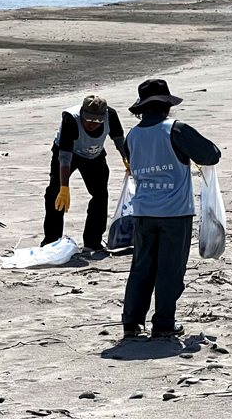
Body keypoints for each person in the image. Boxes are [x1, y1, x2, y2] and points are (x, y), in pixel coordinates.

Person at [121, 79, 221, 338]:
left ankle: (132, 322)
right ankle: (163, 322)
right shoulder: (175, 130)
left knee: (142, 267)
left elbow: (129, 158)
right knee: (170, 269)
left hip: (143, 211)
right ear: (166, 106)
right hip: (175, 212)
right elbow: (211, 155)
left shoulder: (132, 135)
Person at [42, 95, 127, 252]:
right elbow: (65, 157)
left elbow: (119, 139)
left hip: (94, 155)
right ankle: (51, 240)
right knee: (55, 193)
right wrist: (64, 187)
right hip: (68, 154)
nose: (92, 124)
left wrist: (126, 158)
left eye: (97, 121)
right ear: (82, 112)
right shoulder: (71, 119)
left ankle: (92, 241)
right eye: (88, 119)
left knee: (100, 195)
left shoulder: (111, 115)